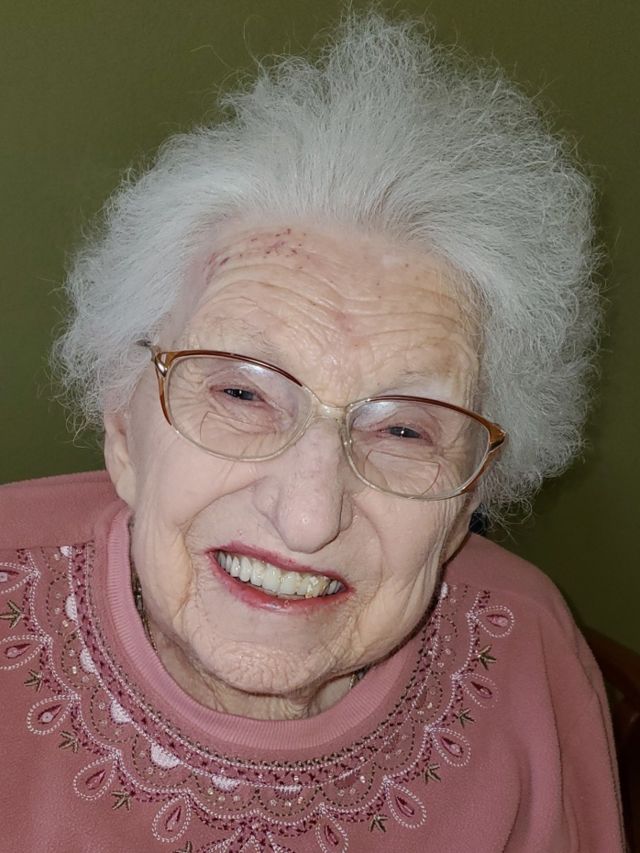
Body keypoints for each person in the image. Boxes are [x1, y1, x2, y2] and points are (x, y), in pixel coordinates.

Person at [0, 12, 624, 852]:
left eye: (404, 431)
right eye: (242, 392)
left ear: (468, 495)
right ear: (122, 425)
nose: (307, 516)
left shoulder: (529, 651)